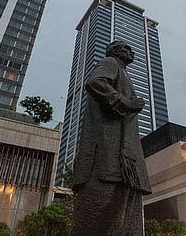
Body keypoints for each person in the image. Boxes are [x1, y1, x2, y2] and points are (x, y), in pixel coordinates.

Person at [72, 40, 152, 236]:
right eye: (127, 48)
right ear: (116, 51)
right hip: (109, 155)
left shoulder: (123, 72)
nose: (132, 51)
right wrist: (125, 103)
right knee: (104, 213)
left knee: (126, 215)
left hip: (124, 159)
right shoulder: (110, 62)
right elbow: (95, 82)